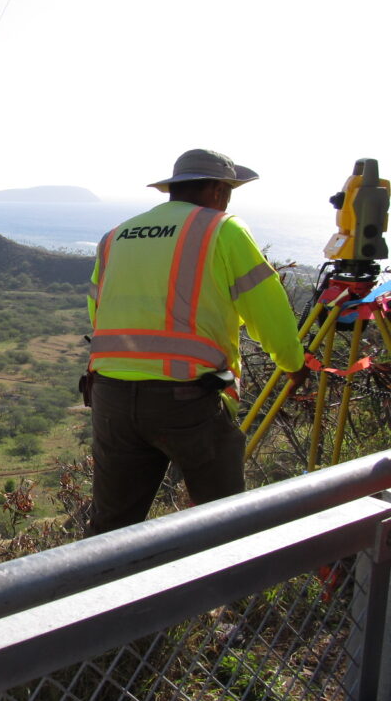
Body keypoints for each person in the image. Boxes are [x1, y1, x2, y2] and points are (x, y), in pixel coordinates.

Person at [85, 148, 308, 535]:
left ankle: (101, 576)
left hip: (110, 396)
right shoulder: (223, 228)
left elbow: (97, 310)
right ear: (219, 190)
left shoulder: (115, 236)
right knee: (222, 521)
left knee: (111, 527)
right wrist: (293, 363)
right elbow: (267, 309)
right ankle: (227, 576)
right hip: (187, 399)